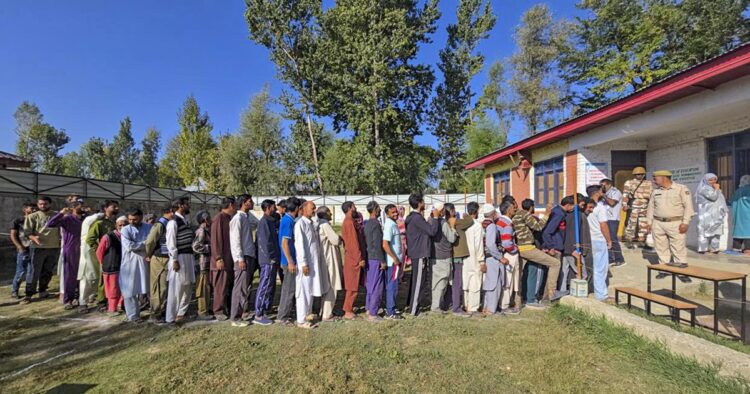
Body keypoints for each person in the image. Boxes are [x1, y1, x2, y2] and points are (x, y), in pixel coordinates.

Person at [512, 199, 563, 307]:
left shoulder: (516, 216)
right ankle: (552, 293)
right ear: (531, 207)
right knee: (555, 263)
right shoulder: (525, 214)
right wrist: (547, 214)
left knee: (520, 275)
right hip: (528, 248)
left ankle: (518, 301)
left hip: (520, 248)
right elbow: (539, 227)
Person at [646, 170, 695, 269]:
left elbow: (688, 207)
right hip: (658, 223)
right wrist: (649, 222)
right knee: (661, 248)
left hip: (675, 223)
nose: (654, 180)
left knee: (678, 247)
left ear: (664, 178)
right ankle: (664, 269)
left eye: (656, 178)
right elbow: (651, 207)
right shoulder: (656, 191)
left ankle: (681, 270)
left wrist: (685, 223)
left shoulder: (681, 189)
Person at [405, 194, 440, 316]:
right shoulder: (416, 218)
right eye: (423, 202)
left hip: (417, 252)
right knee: (418, 281)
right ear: (419, 203)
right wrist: (435, 218)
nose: (425, 204)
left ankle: (413, 306)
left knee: (417, 280)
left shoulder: (414, 217)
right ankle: (413, 310)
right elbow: (431, 231)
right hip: (419, 252)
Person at [22, 196, 62, 304]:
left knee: (48, 271)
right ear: (38, 204)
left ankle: (43, 290)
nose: (43, 206)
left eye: (45, 204)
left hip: (53, 247)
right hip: (38, 248)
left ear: (50, 204)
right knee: (33, 271)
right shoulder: (32, 217)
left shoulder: (57, 216)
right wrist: (34, 237)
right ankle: (29, 294)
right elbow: (27, 233)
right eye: (40, 204)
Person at [47, 198, 84, 309]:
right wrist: (61, 213)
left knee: (81, 275)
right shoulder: (67, 219)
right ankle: (68, 299)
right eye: (79, 205)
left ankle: (78, 297)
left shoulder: (85, 219)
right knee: (70, 275)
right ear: (73, 208)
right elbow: (50, 224)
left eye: (82, 205)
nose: (82, 207)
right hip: (71, 249)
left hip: (83, 249)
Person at [165, 197, 196, 327]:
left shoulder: (185, 221)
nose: (189, 206)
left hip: (189, 256)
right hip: (179, 258)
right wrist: (174, 259)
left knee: (188, 286)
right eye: (186, 204)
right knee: (176, 289)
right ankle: (170, 318)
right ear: (180, 205)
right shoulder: (173, 223)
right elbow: (171, 243)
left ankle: (181, 313)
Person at [86, 199, 120, 310]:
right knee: (103, 278)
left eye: (116, 206)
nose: (116, 208)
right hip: (106, 255)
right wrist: (100, 250)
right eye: (113, 206)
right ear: (105, 208)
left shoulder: (115, 222)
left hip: (116, 254)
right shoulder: (99, 223)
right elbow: (90, 239)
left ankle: (113, 300)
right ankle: (101, 301)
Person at [229, 194, 257, 327]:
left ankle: (241, 313)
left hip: (248, 255)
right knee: (239, 287)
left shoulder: (246, 217)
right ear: (244, 203)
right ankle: (235, 317)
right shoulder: (237, 218)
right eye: (250, 201)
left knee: (245, 287)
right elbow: (235, 241)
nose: (252, 203)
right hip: (242, 257)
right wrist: (240, 258)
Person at [293, 200, 321, 329]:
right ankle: (301, 319)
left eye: (315, 208)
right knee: (303, 291)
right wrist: (303, 263)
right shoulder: (300, 224)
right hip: (306, 263)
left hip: (313, 262)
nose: (314, 210)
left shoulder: (310, 223)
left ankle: (307, 314)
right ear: (303, 209)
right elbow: (300, 245)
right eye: (312, 208)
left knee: (310, 289)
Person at [145, 204, 174, 322]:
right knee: (157, 286)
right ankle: (156, 313)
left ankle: (161, 310)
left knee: (164, 286)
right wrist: (149, 254)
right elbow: (150, 242)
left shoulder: (168, 224)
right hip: (159, 258)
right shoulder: (160, 224)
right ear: (170, 211)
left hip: (167, 258)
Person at [210, 197, 236, 321]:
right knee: (220, 286)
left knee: (227, 286)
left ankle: (226, 307)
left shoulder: (229, 219)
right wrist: (218, 257)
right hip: (221, 260)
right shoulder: (219, 219)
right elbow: (215, 240)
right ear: (230, 205)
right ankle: (218, 310)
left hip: (229, 259)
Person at [254, 200, 280, 326]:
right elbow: (265, 243)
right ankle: (258, 314)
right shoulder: (264, 223)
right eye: (274, 207)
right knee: (264, 285)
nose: (276, 209)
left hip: (272, 259)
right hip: (268, 260)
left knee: (270, 285)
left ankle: (265, 309)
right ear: (268, 208)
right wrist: (270, 258)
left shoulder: (270, 221)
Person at [445, 203, 473, 317]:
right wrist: (466, 214)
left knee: (449, 282)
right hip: (457, 255)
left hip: (449, 255)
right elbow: (469, 221)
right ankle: (456, 307)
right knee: (457, 282)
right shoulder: (455, 221)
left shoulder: (445, 222)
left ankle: (447, 303)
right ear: (451, 211)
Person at [560, 196, 593, 293]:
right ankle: (579, 293)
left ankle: (562, 292)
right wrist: (574, 248)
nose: (583, 207)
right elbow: (573, 232)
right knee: (582, 273)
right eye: (582, 205)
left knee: (564, 272)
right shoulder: (576, 215)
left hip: (565, 248)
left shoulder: (566, 214)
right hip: (572, 249)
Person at [276, 197, 301, 326]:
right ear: (297, 208)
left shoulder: (288, 220)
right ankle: (282, 317)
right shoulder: (288, 221)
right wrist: (290, 261)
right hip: (288, 261)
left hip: (289, 260)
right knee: (289, 289)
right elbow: (284, 243)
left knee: (290, 288)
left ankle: (285, 313)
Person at [96, 216, 127, 317]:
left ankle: (122, 305)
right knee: (113, 289)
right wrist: (105, 263)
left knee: (124, 288)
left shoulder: (128, 235)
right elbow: (99, 252)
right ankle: (112, 308)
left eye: (124, 225)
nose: (122, 227)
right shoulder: (108, 236)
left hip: (124, 267)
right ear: (116, 225)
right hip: (112, 267)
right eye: (120, 225)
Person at [587, 185, 614, 301]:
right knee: (600, 268)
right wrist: (609, 240)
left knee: (591, 267)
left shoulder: (586, 206)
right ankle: (601, 294)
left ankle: (592, 288)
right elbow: (603, 225)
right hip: (598, 239)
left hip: (588, 239)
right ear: (598, 193)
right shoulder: (600, 207)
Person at [317, 206, 343, 321]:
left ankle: (324, 311)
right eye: (328, 212)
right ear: (324, 213)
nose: (331, 214)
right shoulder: (325, 225)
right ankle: (327, 314)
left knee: (326, 285)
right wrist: (340, 238)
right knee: (332, 285)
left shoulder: (319, 224)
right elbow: (335, 240)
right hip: (329, 258)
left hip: (324, 257)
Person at [340, 201, 366, 319]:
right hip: (353, 259)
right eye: (354, 206)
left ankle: (349, 308)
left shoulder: (349, 221)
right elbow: (353, 243)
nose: (356, 208)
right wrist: (359, 258)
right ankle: (347, 310)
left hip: (352, 257)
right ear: (350, 208)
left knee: (354, 285)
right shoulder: (349, 222)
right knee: (352, 286)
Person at [429, 202, 456, 314]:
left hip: (434, 255)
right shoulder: (443, 223)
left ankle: (436, 305)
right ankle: (436, 307)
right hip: (443, 256)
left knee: (435, 282)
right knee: (441, 283)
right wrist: (453, 228)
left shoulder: (429, 221)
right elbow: (452, 238)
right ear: (441, 211)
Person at [78, 205, 105, 313]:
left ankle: (92, 297)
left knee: (97, 276)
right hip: (88, 251)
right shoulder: (88, 221)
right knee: (87, 277)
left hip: (98, 251)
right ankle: (83, 302)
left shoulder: (98, 223)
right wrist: (103, 213)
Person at [496, 202, 521, 315]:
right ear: (508, 210)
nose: (514, 210)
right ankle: (505, 305)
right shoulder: (507, 224)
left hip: (503, 253)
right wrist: (515, 249)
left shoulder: (499, 221)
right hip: (509, 254)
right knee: (508, 280)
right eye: (512, 208)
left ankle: (503, 303)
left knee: (506, 279)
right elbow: (507, 243)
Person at [364, 201, 386, 322]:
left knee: (371, 284)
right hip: (376, 257)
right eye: (378, 208)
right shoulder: (376, 224)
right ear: (375, 209)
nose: (380, 210)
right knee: (377, 285)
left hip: (369, 256)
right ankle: (373, 313)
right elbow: (377, 244)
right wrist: (382, 260)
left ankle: (368, 307)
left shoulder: (366, 223)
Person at [481, 203, 505, 316]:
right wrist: (500, 257)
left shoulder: (482, 224)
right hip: (492, 258)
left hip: (486, 257)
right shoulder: (491, 226)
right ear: (493, 213)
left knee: (489, 283)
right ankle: (491, 309)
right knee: (494, 284)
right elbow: (491, 244)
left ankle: (486, 307)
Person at [695, 173, 727, 254]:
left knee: (716, 231)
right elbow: (713, 197)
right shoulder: (703, 189)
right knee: (703, 232)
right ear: (706, 180)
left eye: (714, 179)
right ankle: (702, 248)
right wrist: (717, 189)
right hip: (706, 214)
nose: (713, 181)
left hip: (716, 214)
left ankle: (715, 248)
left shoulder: (714, 189)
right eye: (710, 180)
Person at [381, 204, 403, 319]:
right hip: (393, 262)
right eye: (392, 212)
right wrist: (394, 258)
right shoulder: (389, 225)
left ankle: (391, 307)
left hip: (395, 261)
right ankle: (391, 311)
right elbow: (385, 244)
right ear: (387, 214)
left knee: (393, 285)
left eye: (396, 212)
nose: (395, 214)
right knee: (392, 286)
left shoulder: (393, 224)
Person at [622, 167, 652, 248]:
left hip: (645, 207)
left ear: (644, 174)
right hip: (633, 207)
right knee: (631, 225)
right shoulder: (629, 183)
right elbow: (625, 195)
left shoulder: (649, 183)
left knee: (643, 225)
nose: (639, 176)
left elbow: (652, 196)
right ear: (634, 175)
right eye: (637, 174)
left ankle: (642, 241)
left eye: (641, 174)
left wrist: (651, 208)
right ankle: (629, 241)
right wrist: (624, 205)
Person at [10, 203, 35, 300]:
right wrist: (19, 246)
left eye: (35, 208)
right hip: (23, 249)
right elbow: (13, 235)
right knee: (20, 271)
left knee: (31, 271)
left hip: (34, 249)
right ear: (25, 209)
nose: (34, 210)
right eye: (32, 208)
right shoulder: (18, 220)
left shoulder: (35, 219)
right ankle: (14, 291)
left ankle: (28, 292)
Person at [463, 202, 484, 315]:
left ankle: (466, 304)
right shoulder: (477, 225)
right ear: (476, 212)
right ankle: (473, 307)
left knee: (466, 280)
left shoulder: (462, 224)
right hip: (474, 255)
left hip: (464, 255)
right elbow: (479, 245)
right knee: (475, 281)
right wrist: (482, 260)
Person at [192, 210, 214, 320]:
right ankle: (202, 311)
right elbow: (196, 246)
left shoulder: (206, 230)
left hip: (207, 263)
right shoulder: (201, 231)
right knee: (202, 288)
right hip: (202, 264)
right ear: (205, 220)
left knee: (207, 288)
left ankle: (206, 308)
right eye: (209, 218)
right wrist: (210, 248)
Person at [600, 179, 625, 267]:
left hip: (613, 219)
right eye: (601, 185)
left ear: (609, 184)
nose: (602, 187)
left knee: (613, 239)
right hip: (605, 218)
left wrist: (603, 196)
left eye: (604, 185)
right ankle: (610, 259)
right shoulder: (605, 193)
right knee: (606, 239)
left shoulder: (615, 192)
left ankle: (620, 259)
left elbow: (612, 203)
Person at [731, 175, 750, 255]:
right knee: (748, 232)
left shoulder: (738, 191)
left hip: (739, 215)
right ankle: (748, 249)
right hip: (748, 215)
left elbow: (732, 202)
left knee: (738, 231)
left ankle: (736, 248)